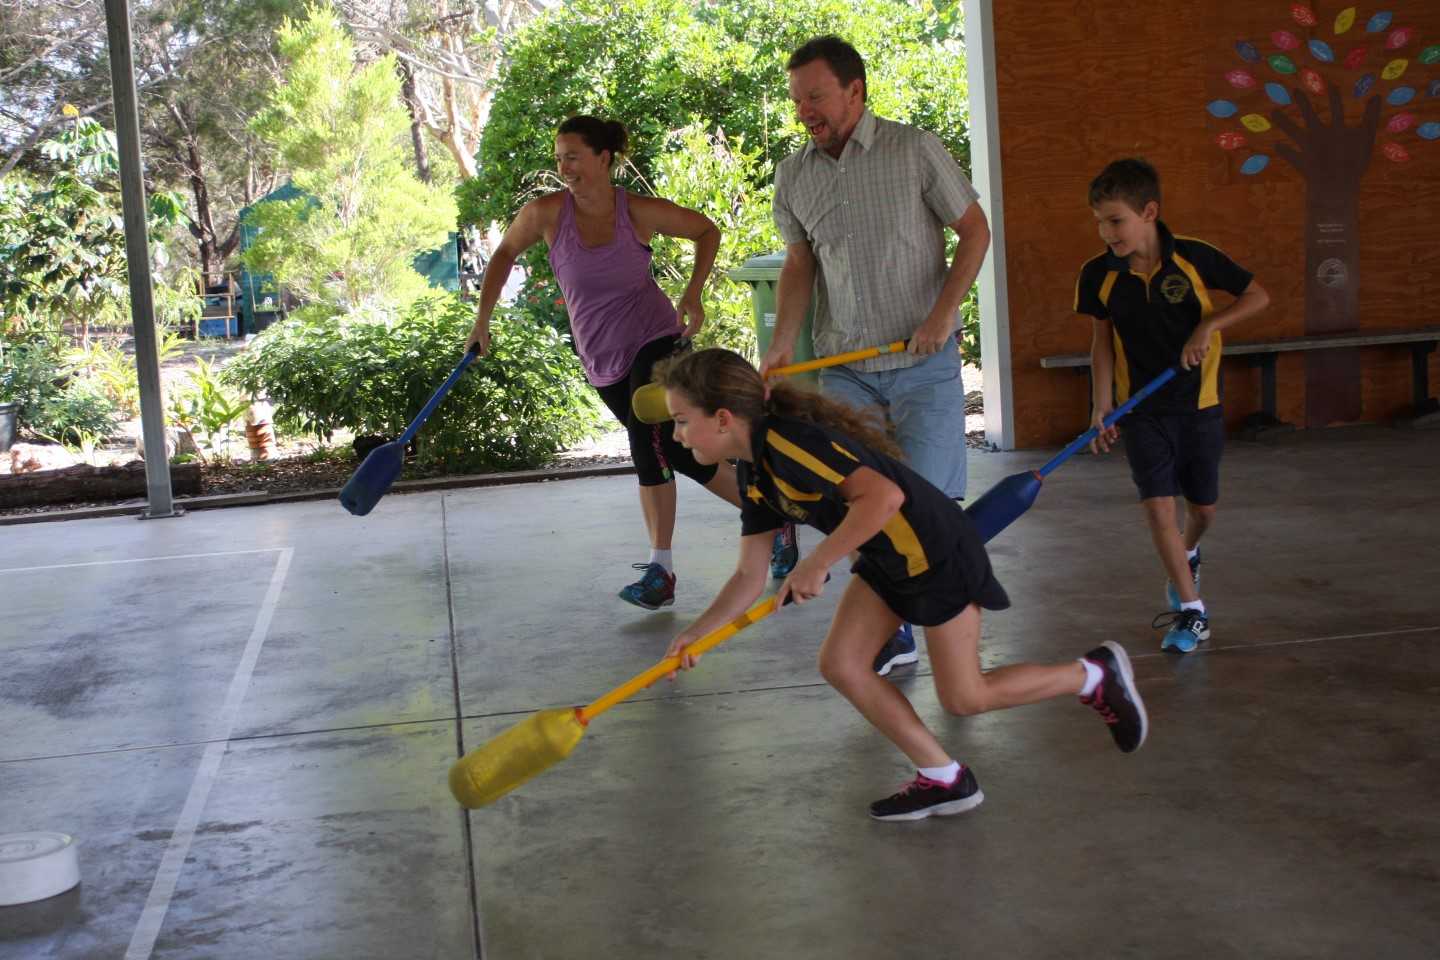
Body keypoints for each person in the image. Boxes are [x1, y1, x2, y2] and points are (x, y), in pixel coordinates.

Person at [655, 347, 1148, 821]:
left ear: (722, 418)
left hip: (935, 553)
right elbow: (749, 574)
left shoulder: (788, 443)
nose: (677, 436)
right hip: (888, 558)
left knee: (965, 697)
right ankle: (943, 777)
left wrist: (819, 561)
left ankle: (1093, 675)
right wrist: (699, 632)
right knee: (843, 664)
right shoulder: (756, 473)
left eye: (681, 420)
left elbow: (883, 497)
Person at [464, 116, 798, 609]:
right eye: (558, 157)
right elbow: (505, 252)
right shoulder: (546, 215)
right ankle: (775, 514)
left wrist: (693, 293)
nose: (564, 167)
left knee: (646, 444)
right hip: (602, 360)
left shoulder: (636, 212)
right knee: (679, 455)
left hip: (655, 341)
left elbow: (706, 231)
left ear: (604, 159)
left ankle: (660, 570)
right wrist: (482, 319)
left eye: (573, 156)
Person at [763, 35, 990, 676]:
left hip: (923, 363)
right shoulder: (794, 174)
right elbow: (801, 262)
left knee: (933, 505)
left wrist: (944, 313)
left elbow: (974, 231)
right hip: (845, 371)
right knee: (861, 504)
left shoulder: (914, 149)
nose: (806, 109)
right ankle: (895, 631)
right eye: (797, 99)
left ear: (855, 91)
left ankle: (949, 630)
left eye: (817, 95)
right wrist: (782, 342)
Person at [1076, 158, 1269, 653]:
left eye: (1115, 220)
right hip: (1141, 413)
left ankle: (1190, 552)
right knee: (1159, 508)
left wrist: (1208, 326)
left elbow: (1258, 296)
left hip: (1199, 406)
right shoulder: (1098, 274)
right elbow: (1102, 343)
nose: (1106, 232)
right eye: (1099, 221)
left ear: (1149, 211)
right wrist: (1102, 407)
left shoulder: (1195, 258)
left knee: (1201, 509)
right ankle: (1192, 611)